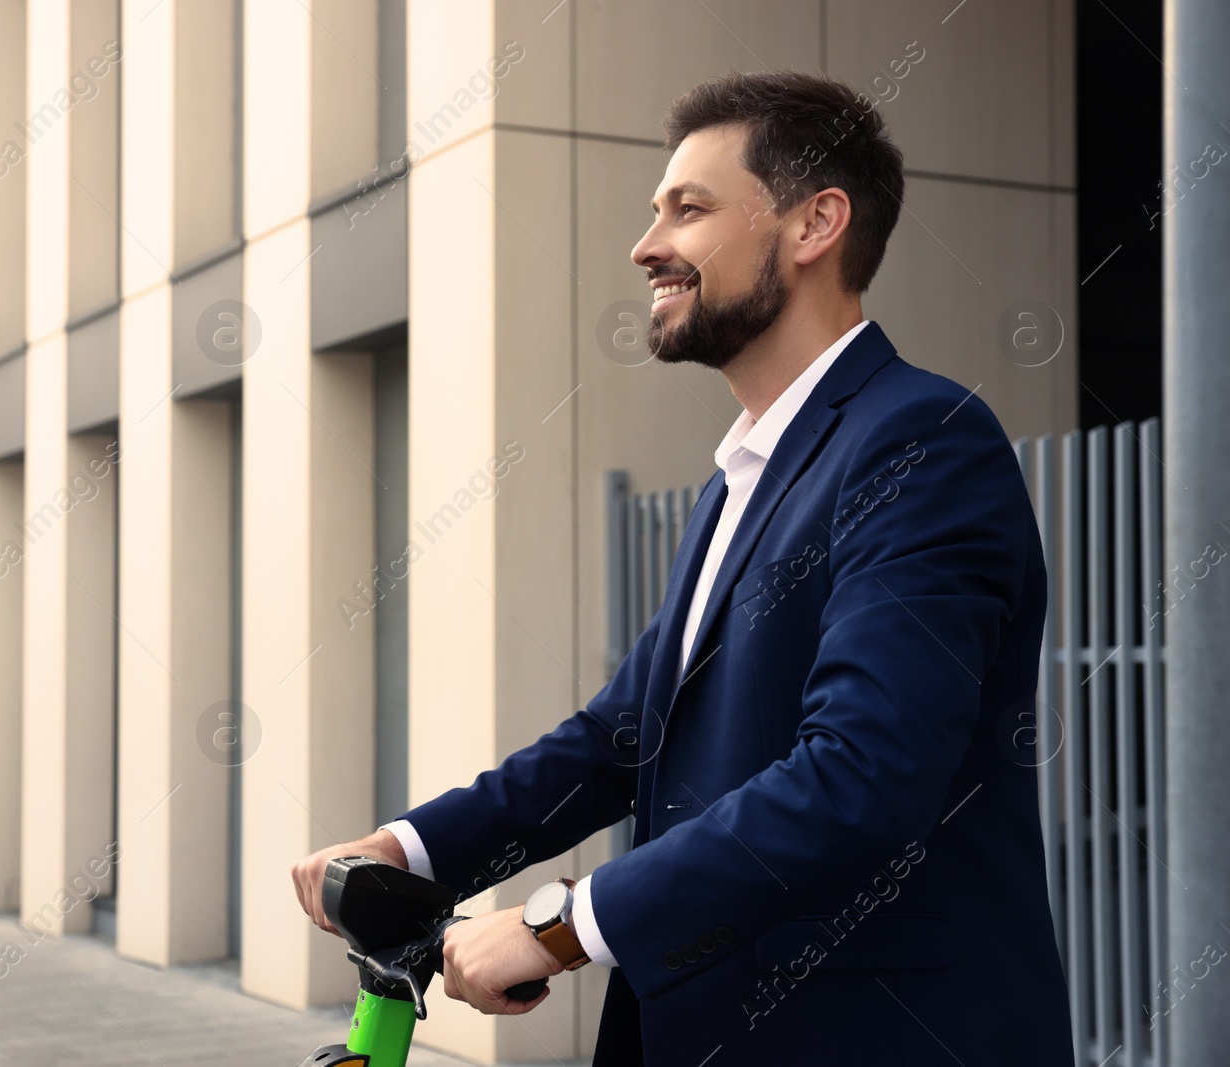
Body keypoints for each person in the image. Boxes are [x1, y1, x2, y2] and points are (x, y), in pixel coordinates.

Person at [293, 70, 1073, 1066]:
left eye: (688, 209)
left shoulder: (920, 440)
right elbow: (624, 735)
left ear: (813, 224)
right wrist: (413, 848)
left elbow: (862, 772)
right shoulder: (738, 478)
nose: (645, 244)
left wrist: (557, 924)